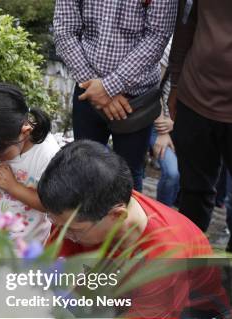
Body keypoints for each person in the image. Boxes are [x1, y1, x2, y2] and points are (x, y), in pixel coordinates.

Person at [38, 140, 228, 319]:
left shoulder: (163, 256)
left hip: (194, 304)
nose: (60, 233)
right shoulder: (79, 213)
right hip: (129, 281)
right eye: (54, 222)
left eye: (70, 229)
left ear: (117, 216)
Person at [53, 0, 177, 192]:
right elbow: (64, 30)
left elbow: (157, 37)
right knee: (83, 168)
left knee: (128, 174)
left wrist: (109, 87)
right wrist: (97, 89)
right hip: (87, 91)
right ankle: (85, 221)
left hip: (136, 98)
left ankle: (126, 222)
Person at [168, 0, 232, 257]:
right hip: (195, 99)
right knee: (193, 192)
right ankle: (189, 265)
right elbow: (186, 23)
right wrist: (176, 82)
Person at [0, 83, 60, 242]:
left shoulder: (46, 154)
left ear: (25, 131)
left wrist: (12, 186)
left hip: (28, 245)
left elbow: (50, 204)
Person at [149, 37, 179, 207]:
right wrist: (162, 130)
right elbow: (153, 88)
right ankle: (162, 215)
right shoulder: (170, 49)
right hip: (158, 123)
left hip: (185, 126)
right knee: (172, 173)